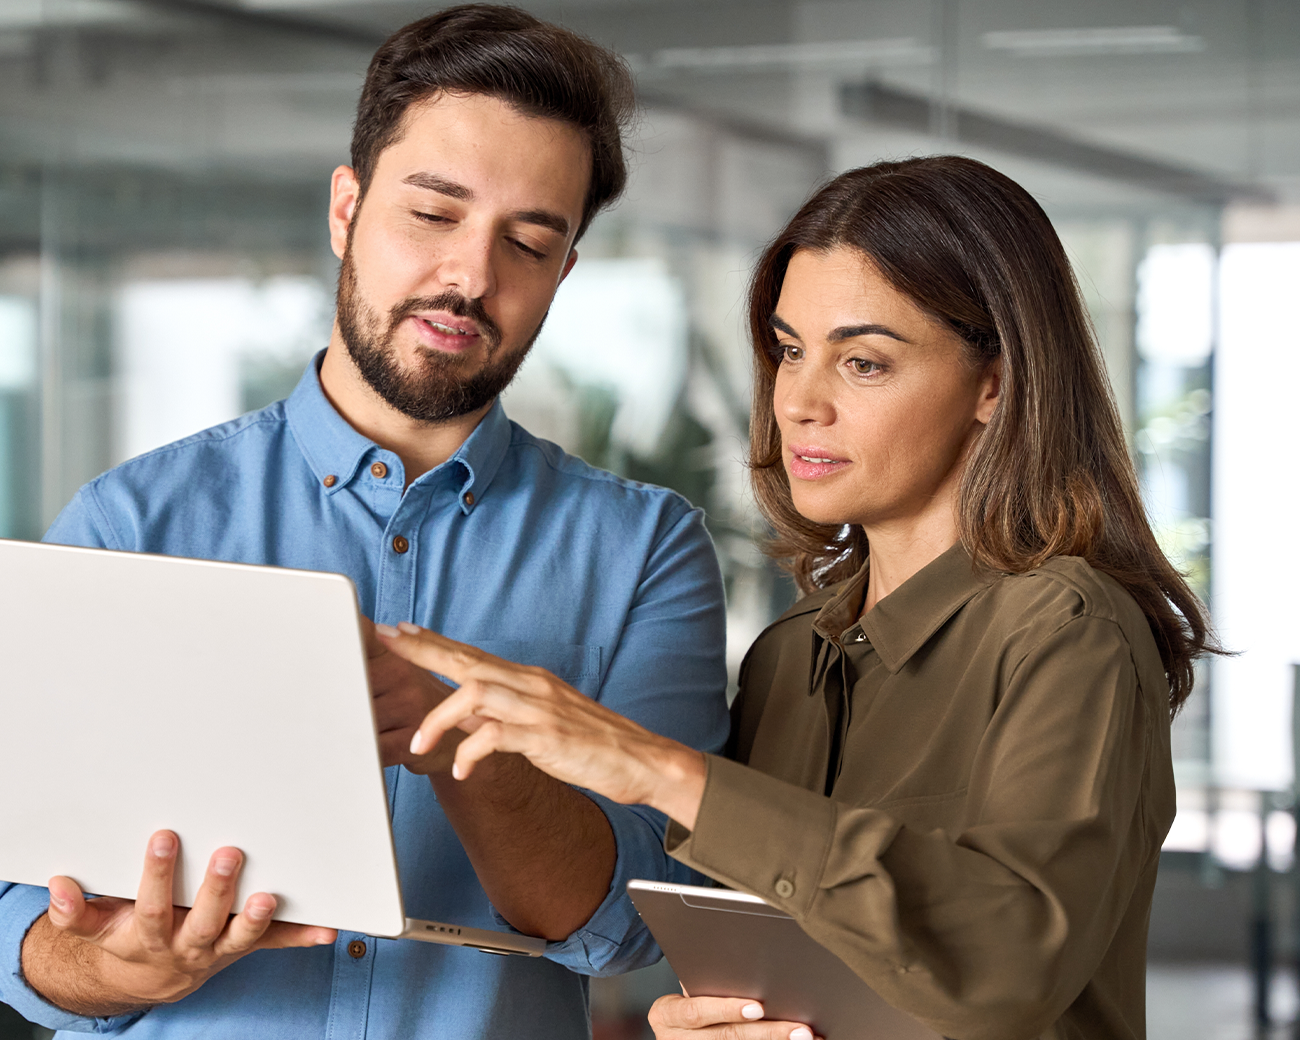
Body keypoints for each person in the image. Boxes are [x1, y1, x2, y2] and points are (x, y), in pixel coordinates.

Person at [0, 6, 729, 1039]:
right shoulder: (132, 520)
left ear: (563, 273)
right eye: (432, 214)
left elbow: (630, 922)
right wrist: (115, 967)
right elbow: (12, 913)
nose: (471, 276)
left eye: (527, 240)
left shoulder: (644, 550)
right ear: (346, 209)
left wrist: (456, 737)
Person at [378, 156, 1218, 1040]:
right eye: (788, 351)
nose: (801, 402)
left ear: (995, 383)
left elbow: (1010, 959)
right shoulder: (787, 659)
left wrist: (660, 768)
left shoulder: (1069, 629)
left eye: (862, 363)